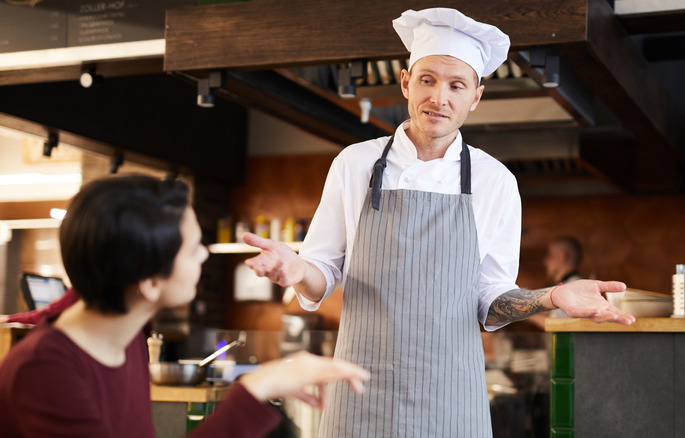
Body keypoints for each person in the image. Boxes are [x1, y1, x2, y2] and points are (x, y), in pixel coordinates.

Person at [241, 8, 635, 438]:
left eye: (456, 85)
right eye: (428, 80)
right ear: (407, 81)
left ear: (476, 97)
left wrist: (554, 296)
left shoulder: (495, 182)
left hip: (452, 399)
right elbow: (322, 276)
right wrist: (298, 270)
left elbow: (491, 300)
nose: (439, 98)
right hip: (360, 394)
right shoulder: (354, 164)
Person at [0, 175, 370, 438]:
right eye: (193, 247)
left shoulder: (125, 332)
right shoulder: (45, 372)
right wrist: (260, 385)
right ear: (149, 283)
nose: (204, 254)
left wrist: (299, 268)